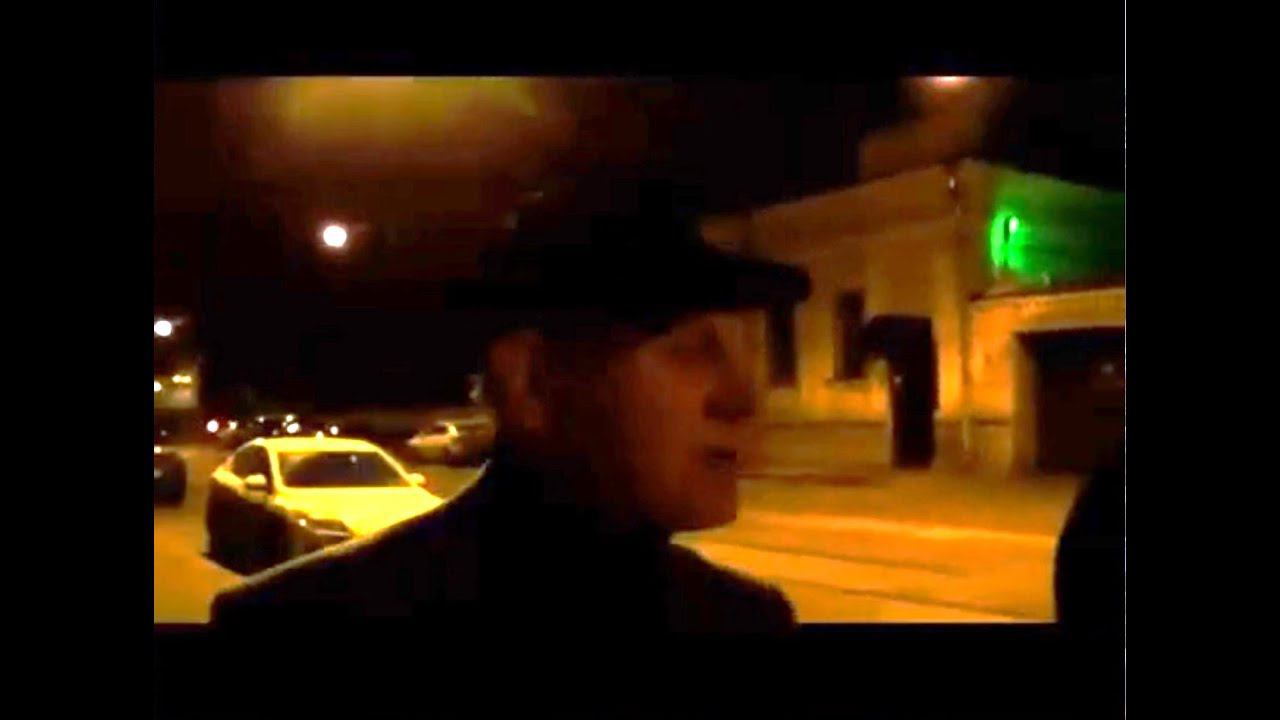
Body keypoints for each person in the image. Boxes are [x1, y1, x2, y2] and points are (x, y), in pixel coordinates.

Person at [210, 179, 813, 635]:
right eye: (691, 349)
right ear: (532, 383)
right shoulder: (294, 627)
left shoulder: (749, 620)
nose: (742, 398)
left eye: (746, 351)